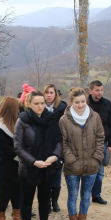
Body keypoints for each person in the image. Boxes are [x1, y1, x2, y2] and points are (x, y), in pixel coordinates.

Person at [14, 90, 62, 220]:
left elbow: (59, 141)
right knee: (27, 199)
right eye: (36, 103)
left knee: (44, 198)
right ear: (29, 104)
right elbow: (18, 147)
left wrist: (54, 156)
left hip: (48, 166)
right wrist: (34, 162)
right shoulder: (23, 121)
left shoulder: (51, 119)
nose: (40, 106)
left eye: (42, 103)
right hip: (29, 167)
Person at [59, 87, 105, 220]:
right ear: (71, 102)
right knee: (73, 196)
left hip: (91, 165)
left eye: (83, 101)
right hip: (73, 166)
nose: (80, 105)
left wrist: (97, 157)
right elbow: (62, 143)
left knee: (86, 196)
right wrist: (71, 160)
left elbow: (100, 137)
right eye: (77, 102)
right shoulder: (64, 120)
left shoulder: (94, 117)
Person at [0, 97, 24, 220]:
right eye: (16, 107)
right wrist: (21, 157)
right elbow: (5, 148)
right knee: (6, 192)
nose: (18, 110)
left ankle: (17, 216)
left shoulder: (17, 122)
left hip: (17, 164)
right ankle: (1, 217)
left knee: (18, 190)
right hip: (5, 164)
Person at [88, 80, 111, 205]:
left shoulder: (107, 104)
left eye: (101, 90)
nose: (100, 93)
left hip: (102, 142)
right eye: (97, 90)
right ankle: (85, 193)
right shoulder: (85, 103)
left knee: (100, 171)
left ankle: (96, 195)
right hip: (87, 142)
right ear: (91, 90)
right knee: (88, 170)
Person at [43, 84, 67, 212]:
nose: (49, 95)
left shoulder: (62, 108)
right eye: (46, 92)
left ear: (55, 94)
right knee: (45, 177)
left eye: (51, 92)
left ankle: (55, 202)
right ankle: (46, 201)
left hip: (58, 144)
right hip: (43, 145)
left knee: (57, 176)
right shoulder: (39, 107)